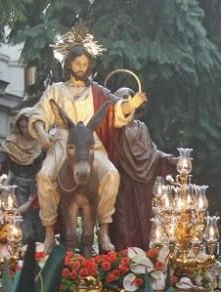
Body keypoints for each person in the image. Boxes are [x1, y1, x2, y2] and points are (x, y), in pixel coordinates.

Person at [28, 23, 147, 252]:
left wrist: (130, 104)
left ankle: (103, 231)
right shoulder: (56, 90)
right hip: (64, 141)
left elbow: (114, 110)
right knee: (44, 176)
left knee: (111, 174)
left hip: (92, 143)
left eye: (85, 64)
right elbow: (38, 114)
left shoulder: (98, 92)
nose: (81, 68)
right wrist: (43, 135)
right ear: (69, 65)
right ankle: (50, 232)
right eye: (77, 63)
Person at [112, 118, 177, 250]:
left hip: (143, 185)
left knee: (146, 223)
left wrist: (168, 158)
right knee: (123, 227)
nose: (127, 101)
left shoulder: (142, 127)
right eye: (122, 98)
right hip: (123, 184)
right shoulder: (115, 128)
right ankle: (121, 263)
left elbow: (151, 152)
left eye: (129, 97)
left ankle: (146, 261)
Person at [0, 108, 44, 245]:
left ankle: (40, 256)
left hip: (38, 188)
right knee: (24, 229)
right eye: (22, 127)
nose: (26, 130)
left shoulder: (42, 143)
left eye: (28, 126)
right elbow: (1, 170)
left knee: (41, 227)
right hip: (18, 188)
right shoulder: (11, 144)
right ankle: (23, 255)